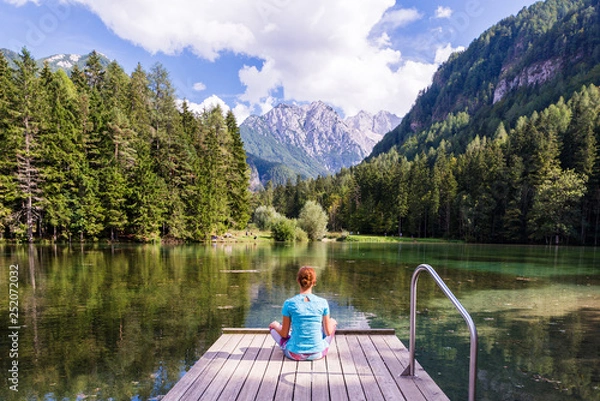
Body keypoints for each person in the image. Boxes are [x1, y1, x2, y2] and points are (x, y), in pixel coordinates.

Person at [269, 266, 337, 361]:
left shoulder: (289, 303)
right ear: (314, 282)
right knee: (331, 325)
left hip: (293, 353)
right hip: (317, 353)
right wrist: (332, 322)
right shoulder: (323, 302)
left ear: (298, 281)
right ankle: (316, 345)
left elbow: (284, 334)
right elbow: (327, 332)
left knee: (273, 327)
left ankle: (293, 343)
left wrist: (275, 325)